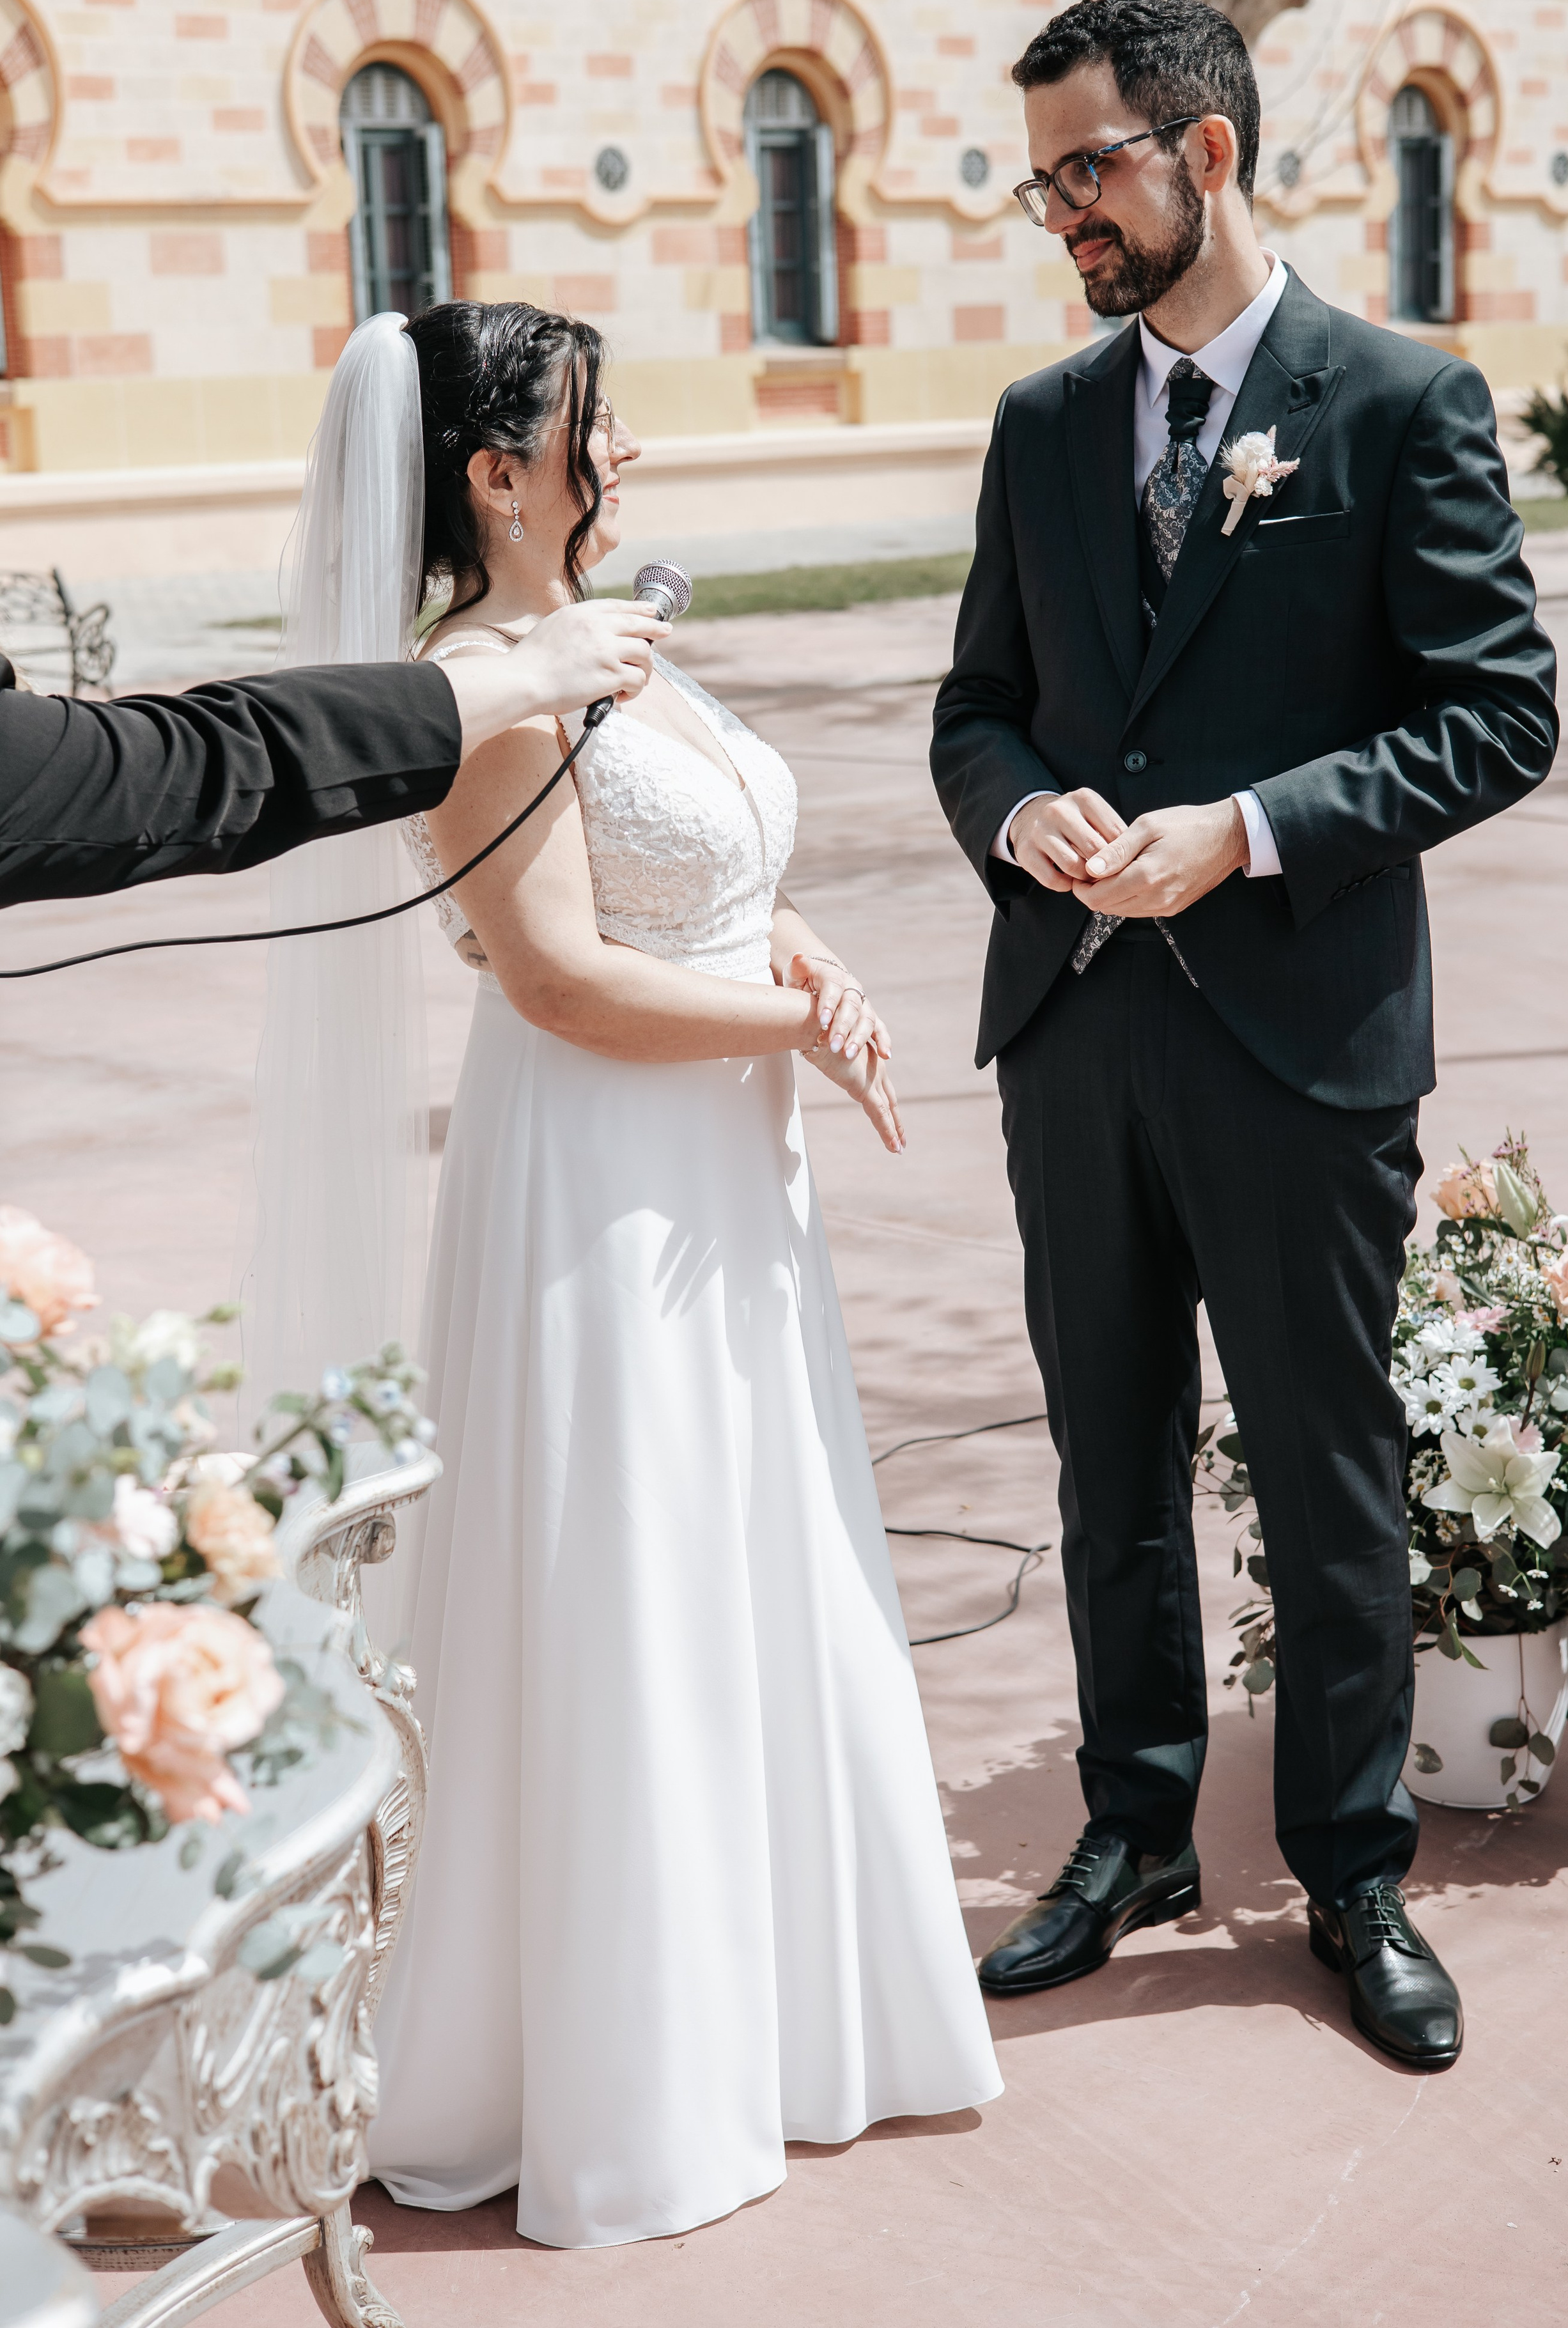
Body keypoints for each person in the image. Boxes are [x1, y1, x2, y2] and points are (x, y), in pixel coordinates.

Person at [247, 304, 1000, 2250]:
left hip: (722, 1166)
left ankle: (779, 2007)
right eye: (598, 423)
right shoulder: (470, 685)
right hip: (598, 1176)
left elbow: (708, 864)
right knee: (630, 1571)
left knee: (744, 1547)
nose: (632, 449)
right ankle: (611, 2064)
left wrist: (802, 949)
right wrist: (786, 1024)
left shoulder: (613, 644)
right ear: (496, 472)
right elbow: (560, 975)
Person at [929, 0, 1557, 2072]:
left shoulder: (1398, 399)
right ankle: (1134, 1833)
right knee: (1108, 1463)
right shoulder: (1040, 423)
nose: (1064, 216)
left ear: (1205, 149)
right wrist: (1025, 813)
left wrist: (1257, 831)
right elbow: (976, 709)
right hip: (1077, 1031)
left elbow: (1499, 713)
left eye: (1088, 168)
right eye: (1044, 182)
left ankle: (1351, 1868)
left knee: (1329, 1472)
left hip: (1301, 1036)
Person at [0, 590, 666, 908]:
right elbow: (187, 767)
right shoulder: (494, 664)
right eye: (597, 419)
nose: (630, 445)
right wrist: (525, 681)